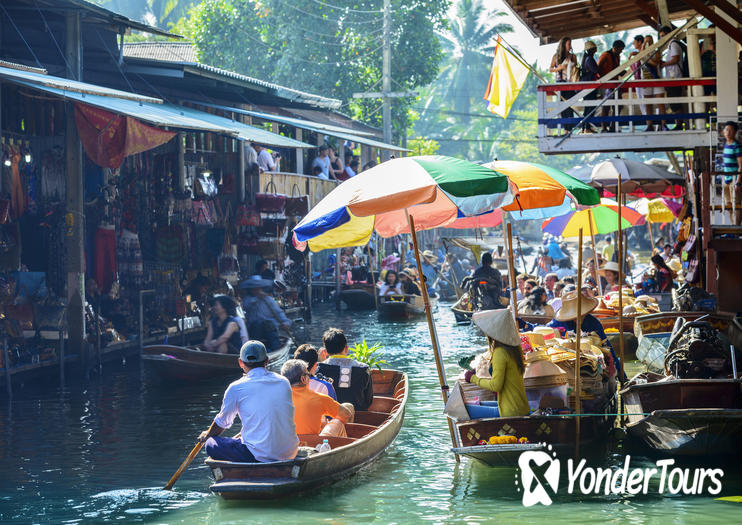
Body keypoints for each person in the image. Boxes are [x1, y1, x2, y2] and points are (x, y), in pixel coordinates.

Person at [198, 341, 298, 462]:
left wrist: (207, 435)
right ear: (266, 360)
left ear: (240, 362)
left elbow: (222, 422)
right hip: (289, 452)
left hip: (259, 455)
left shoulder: (236, 387)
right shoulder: (284, 382)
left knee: (211, 444)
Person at [463, 309, 529, 417]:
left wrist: (472, 378)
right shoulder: (514, 349)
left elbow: (495, 386)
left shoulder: (500, 352)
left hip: (510, 412)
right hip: (520, 407)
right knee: (474, 405)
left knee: (463, 409)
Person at [281, 359, 354, 437]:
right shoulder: (319, 398)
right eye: (308, 375)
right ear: (303, 379)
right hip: (313, 444)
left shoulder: (277, 399)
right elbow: (346, 415)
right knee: (340, 419)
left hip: (285, 444)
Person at [317, 328, 374, 410]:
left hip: (329, 417)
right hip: (358, 416)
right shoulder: (363, 368)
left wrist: (321, 362)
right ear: (346, 348)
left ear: (325, 352)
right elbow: (368, 400)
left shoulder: (319, 369)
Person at [240, 275, 291, 351]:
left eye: (258, 287)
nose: (256, 289)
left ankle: (275, 349)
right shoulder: (247, 299)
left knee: (269, 327)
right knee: (258, 324)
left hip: (269, 328)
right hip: (255, 330)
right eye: (254, 288)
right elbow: (247, 306)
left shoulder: (268, 300)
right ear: (250, 289)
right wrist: (257, 298)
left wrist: (285, 323)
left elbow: (279, 312)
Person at [659, 25, 685, 130]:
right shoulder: (672, 44)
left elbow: (675, 59)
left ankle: (679, 124)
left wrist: (664, 64)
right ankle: (678, 123)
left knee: (675, 103)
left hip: (675, 77)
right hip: (673, 77)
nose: (662, 38)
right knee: (674, 102)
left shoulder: (673, 45)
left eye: (662, 36)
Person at [549, 37, 578, 132]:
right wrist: (560, 68)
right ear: (563, 45)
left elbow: (576, 69)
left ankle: (569, 128)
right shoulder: (556, 56)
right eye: (569, 44)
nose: (570, 46)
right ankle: (566, 129)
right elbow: (551, 69)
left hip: (570, 82)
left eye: (570, 44)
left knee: (569, 105)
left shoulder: (572, 56)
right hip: (560, 83)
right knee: (562, 105)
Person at [597, 40, 626, 131]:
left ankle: (613, 127)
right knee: (606, 106)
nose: (621, 52)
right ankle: (604, 127)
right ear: (615, 48)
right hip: (606, 84)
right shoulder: (605, 55)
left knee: (617, 106)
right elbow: (598, 68)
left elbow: (616, 68)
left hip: (615, 83)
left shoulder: (617, 56)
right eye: (620, 50)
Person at [640, 35, 665, 131]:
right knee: (648, 104)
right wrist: (644, 48)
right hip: (646, 80)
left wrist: (647, 58)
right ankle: (649, 125)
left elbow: (656, 63)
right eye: (646, 41)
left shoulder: (656, 51)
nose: (648, 43)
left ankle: (663, 124)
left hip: (656, 79)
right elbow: (640, 58)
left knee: (660, 103)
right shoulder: (642, 52)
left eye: (650, 41)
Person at [721, 121, 742, 225]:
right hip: (726, 180)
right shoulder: (726, 145)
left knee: (736, 205)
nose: (728, 132)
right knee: (728, 205)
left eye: (730, 130)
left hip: (735, 180)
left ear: (735, 132)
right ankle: (732, 226)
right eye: (726, 130)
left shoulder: (736, 146)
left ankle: (737, 228)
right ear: (723, 132)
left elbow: (741, 165)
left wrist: (738, 182)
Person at [580, 40, 600, 132]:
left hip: (587, 86)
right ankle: (587, 127)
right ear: (592, 49)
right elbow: (596, 70)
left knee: (588, 107)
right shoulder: (589, 59)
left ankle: (586, 127)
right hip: (589, 86)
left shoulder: (586, 58)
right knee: (590, 106)